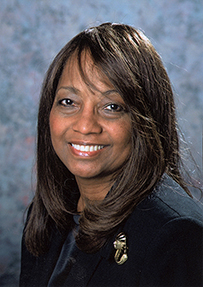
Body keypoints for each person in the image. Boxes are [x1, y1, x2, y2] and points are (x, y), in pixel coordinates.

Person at [20, 22, 203, 287]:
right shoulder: (47, 215)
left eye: (112, 106)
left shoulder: (176, 236)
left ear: (145, 120)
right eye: (68, 102)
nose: (85, 125)